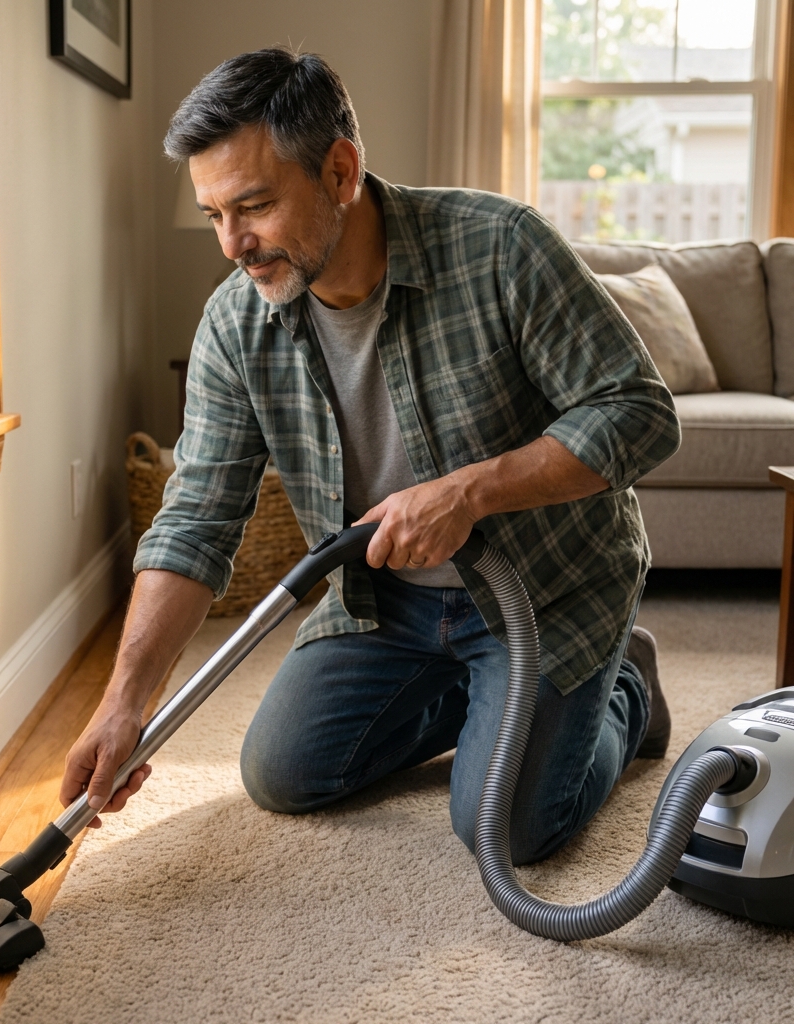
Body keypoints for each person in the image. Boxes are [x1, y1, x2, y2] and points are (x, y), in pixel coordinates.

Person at [59, 47, 680, 864]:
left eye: (253, 205)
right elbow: (196, 519)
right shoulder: (234, 327)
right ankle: (489, 700)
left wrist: (469, 493)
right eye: (214, 214)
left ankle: (623, 690)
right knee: (283, 773)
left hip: (542, 589)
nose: (233, 244)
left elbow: (640, 412)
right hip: (387, 602)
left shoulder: (499, 247)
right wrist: (123, 701)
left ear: (342, 172)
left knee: (507, 828)